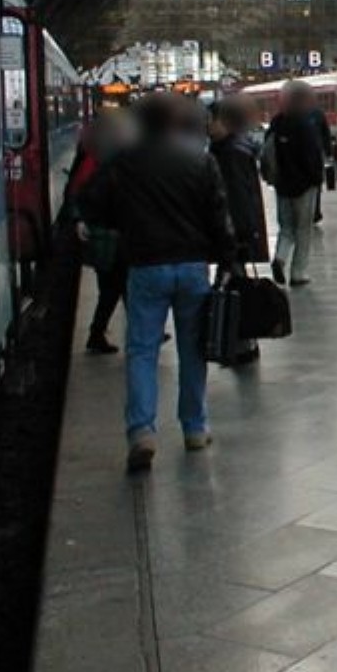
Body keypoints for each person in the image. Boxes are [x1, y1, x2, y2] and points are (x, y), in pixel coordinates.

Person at [78, 93, 236, 472]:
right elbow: (219, 215)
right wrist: (227, 260)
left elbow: (91, 204)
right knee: (193, 348)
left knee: (142, 351)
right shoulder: (200, 160)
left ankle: (142, 432)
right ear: (175, 122)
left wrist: (126, 221)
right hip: (192, 266)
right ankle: (194, 428)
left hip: (146, 266)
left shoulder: (124, 162)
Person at [66, 109, 138, 354]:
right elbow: (80, 195)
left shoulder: (101, 161)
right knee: (117, 286)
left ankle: (100, 334)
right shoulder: (99, 164)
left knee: (115, 287)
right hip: (108, 238)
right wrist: (80, 219)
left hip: (108, 237)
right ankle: (102, 334)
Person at [208, 96, 269, 365]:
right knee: (235, 286)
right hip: (237, 233)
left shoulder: (229, 153)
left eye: (210, 121)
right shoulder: (234, 148)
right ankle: (242, 343)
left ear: (223, 122)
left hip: (234, 234)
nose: (206, 126)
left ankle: (242, 345)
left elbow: (236, 199)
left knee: (235, 289)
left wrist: (237, 237)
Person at [267, 81, 324, 287]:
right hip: (304, 187)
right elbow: (312, 158)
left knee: (286, 228)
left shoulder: (276, 124)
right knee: (303, 230)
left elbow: (268, 153)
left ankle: (280, 257)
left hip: (282, 186)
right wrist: (317, 179)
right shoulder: (305, 126)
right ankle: (298, 272)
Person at [305, 88, 334, 224]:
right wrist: (328, 153)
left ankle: (312, 212)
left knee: (312, 183)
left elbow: (325, 134)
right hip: (316, 154)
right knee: (315, 183)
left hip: (311, 154)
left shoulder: (291, 113)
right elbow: (326, 135)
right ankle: (315, 212)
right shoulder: (318, 114)